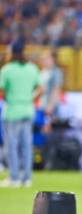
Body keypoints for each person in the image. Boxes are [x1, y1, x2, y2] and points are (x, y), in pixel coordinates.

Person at [0, 39, 43, 187]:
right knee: (26, 144)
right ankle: (27, 178)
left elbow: (2, 90)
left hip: (12, 111)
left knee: (12, 145)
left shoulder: (7, 70)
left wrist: (10, 97)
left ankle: (14, 177)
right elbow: (40, 89)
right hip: (27, 109)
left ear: (12, 52)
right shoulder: (31, 68)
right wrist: (30, 98)